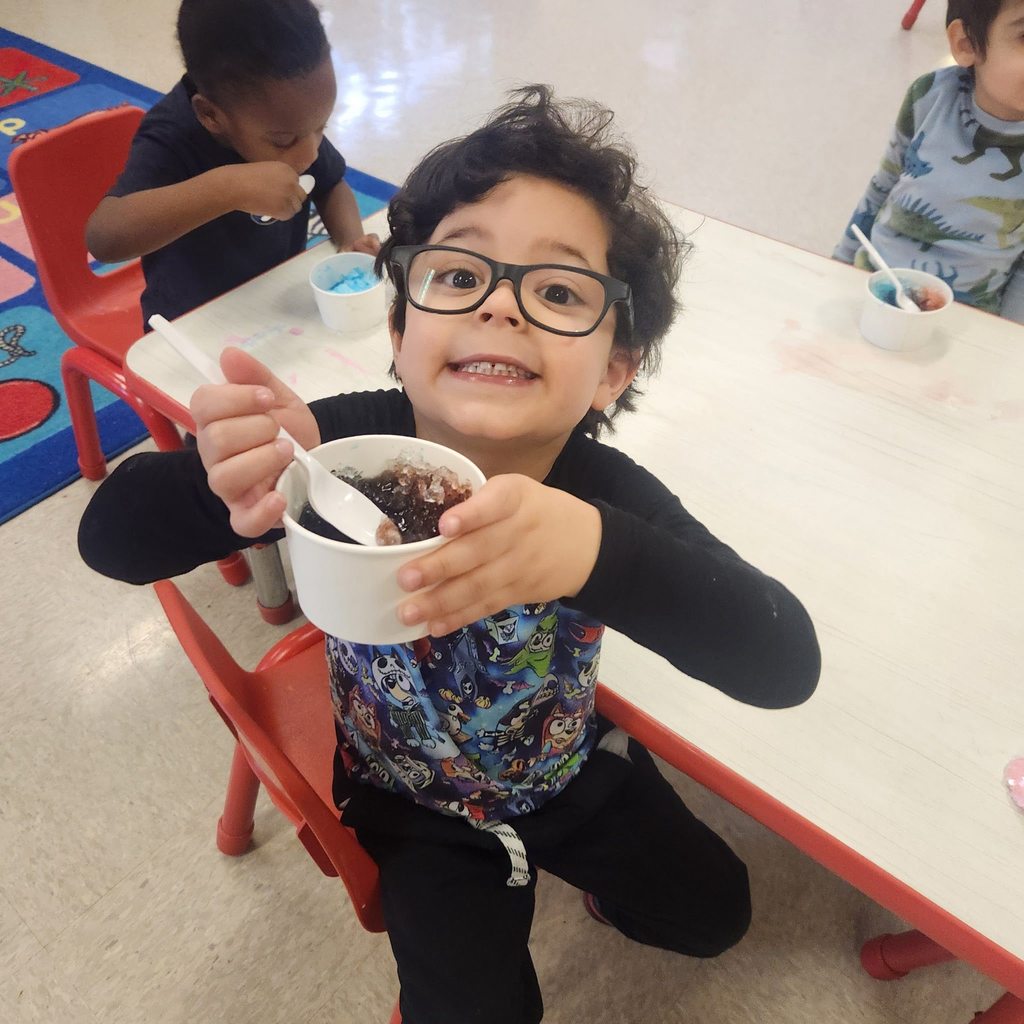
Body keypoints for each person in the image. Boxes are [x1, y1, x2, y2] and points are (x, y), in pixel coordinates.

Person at [78, 86, 821, 1024]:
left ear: (614, 372)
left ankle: (589, 876)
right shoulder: (334, 457)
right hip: (405, 796)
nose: (502, 308)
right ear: (399, 334)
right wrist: (224, 491)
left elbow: (783, 660)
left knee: (717, 915)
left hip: (567, 767)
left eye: (558, 291)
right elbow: (108, 539)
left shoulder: (606, 498)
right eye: (460, 275)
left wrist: (600, 553)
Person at [85, 0, 379, 324]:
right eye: (283, 141)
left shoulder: (293, 121)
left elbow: (330, 184)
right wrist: (227, 188)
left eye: (321, 127)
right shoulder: (173, 136)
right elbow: (104, 238)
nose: (309, 153)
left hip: (274, 304)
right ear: (210, 115)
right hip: (189, 328)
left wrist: (351, 241)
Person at [834, 0, 1024, 323]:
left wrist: (1007, 334)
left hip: (970, 319)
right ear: (966, 44)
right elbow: (883, 184)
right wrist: (838, 262)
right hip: (873, 279)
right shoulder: (930, 95)